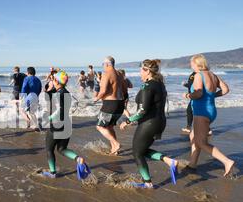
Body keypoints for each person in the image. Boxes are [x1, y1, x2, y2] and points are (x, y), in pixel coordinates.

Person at [120, 59, 179, 189]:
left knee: (137, 153)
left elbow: (142, 110)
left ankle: (148, 183)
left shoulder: (148, 86)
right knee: (142, 150)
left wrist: (128, 121)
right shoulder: (159, 84)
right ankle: (169, 161)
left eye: (141, 70)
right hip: (159, 122)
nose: (140, 72)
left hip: (149, 123)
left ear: (147, 71)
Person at [185, 54, 234, 177]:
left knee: (201, 142)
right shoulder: (213, 75)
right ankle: (192, 164)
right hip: (211, 111)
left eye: (192, 63)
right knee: (193, 136)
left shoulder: (198, 76)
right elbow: (226, 89)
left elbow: (198, 94)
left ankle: (227, 161)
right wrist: (212, 95)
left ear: (197, 64)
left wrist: (188, 96)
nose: (191, 66)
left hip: (201, 112)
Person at [42, 71, 89, 179]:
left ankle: (53, 173)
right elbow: (47, 93)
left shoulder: (59, 93)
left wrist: (48, 118)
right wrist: (50, 82)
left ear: (57, 82)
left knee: (49, 149)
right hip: (67, 123)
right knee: (62, 149)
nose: (52, 81)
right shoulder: (65, 92)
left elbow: (59, 110)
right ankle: (78, 159)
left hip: (57, 124)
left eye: (54, 80)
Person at [94, 56, 126, 155]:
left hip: (110, 105)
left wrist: (96, 98)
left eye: (103, 64)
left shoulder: (106, 74)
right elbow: (124, 90)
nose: (103, 66)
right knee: (110, 127)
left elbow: (103, 91)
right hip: (120, 104)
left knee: (100, 127)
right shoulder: (120, 74)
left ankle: (116, 144)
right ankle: (114, 150)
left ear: (107, 64)